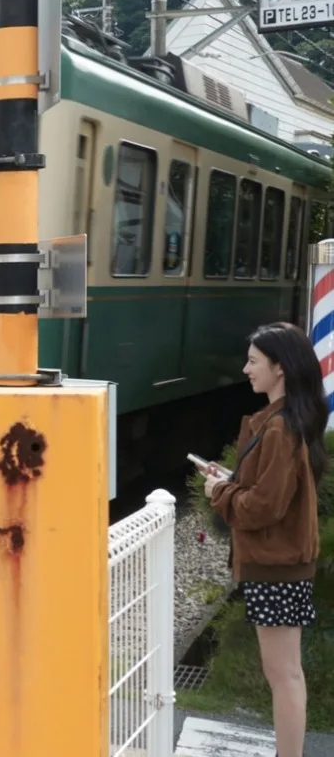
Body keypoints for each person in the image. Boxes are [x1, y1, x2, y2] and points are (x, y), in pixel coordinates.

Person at [200, 321, 324, 757]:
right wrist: (231, 481)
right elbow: (271, 492)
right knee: (286, 672)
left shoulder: (278, 428)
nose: (246, 369)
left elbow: (264, 507)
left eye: (254, 361)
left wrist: (221, 492)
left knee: (283, 674)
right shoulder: (286, 422)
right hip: (281, 563)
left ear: (280, 368)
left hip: (276, 565)